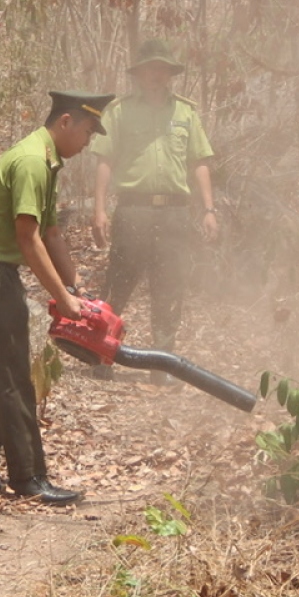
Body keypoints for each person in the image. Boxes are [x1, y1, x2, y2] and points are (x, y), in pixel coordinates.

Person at [0, 91, 113, 506]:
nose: (89, 141)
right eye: (88, 131)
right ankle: (29, 477)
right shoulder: (31, 162)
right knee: (12, 377)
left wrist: (75, 290)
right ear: (66, 122)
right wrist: (59, 295)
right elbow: (28, 237)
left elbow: (52, 233)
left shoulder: (47, 163)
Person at [90, 38, 218, 383]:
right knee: (119, 285)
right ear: (139, 73)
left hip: (175, 215)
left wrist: (208, 209)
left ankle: (162, 367)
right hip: (133, 212)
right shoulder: (119, 111)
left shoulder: (185, 113)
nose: (156, 75)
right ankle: (101, 357)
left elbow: (200, 163)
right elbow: (104, 160)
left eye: (162, 69)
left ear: (169, 73)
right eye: (150, 69)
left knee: (169, 288)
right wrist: (99, 210)